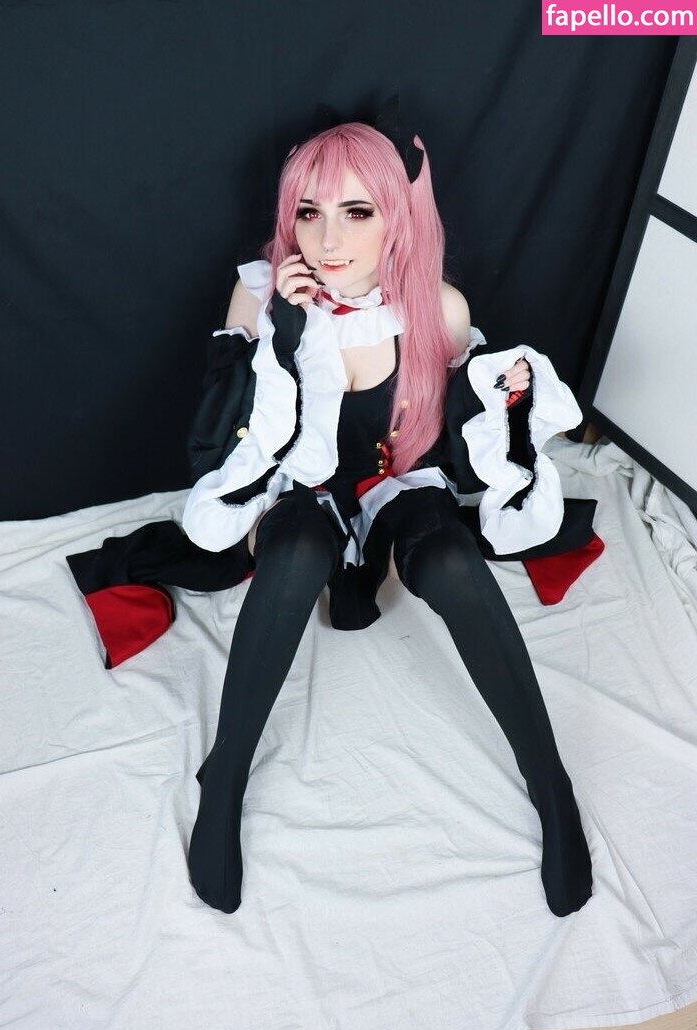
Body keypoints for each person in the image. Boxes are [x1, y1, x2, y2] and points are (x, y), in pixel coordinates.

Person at [66, 109, 602, 918]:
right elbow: (217, 442)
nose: (328, 238)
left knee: (451, 558)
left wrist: (511, 401)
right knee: (293, 555)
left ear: (397, 216)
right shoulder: (259, 293)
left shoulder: (439, 309)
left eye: (357, 211)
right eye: (310, 212)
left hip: (397, 487)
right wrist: (280, 335)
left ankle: (550, 784)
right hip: (301, 494)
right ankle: (225, 776)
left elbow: (461, 443)